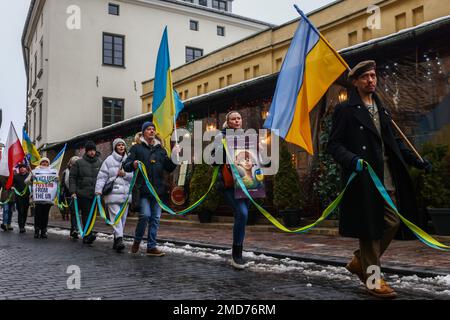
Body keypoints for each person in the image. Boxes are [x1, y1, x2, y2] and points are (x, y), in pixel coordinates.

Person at [327, 60, 432, 299]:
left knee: (392, 222)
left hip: (386, 176)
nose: (371, 80)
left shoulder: (381, 108)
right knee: (370, 231)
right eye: (365, 77)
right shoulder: (346, 109)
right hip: (363, 178)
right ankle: (373, 280)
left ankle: (359, 261)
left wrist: (417, 161)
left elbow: (393, 143)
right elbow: (333, 144)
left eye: (373, 76)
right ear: (355, 82)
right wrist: (352, 159)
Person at [212, 111, 269, 270]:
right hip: (228, 184)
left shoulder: (248, 137)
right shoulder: (220, 137)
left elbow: (257, 160)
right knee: (242, 213)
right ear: (227, 122)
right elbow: (213, 160)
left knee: (241, 216)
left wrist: (260, 150)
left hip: (246, 183)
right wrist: (224, 147)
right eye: (233, 119)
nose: (237, 121)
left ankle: (237, 252)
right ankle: (237, 254)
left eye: (239, 118)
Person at [123, 122, 179, 256]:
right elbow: (126, 165)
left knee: (155, 218)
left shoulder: (161, 149)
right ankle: (137, 241)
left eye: (153, 129)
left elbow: (169, 167)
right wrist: (133, 164)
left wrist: (175, 156)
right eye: (148, 129)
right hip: (142, 190)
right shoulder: (136, 148)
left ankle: (151, 246)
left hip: (158, 191)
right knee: (145, 216)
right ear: (143, 133)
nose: (151, 131)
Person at [95, 138, 133, 252]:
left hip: (126, 195)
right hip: (112, 194)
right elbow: (102, 177)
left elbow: (133, 176)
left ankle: (117, 241)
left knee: (122, 219)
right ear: (115, 147)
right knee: (116, 217)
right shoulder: (109, 160)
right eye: (119, 145)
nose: (121, 147)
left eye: (123, 145)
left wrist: (124, 174)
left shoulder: (129, 160)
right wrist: (98, 190)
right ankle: (120, 239)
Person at [69, 141, 102, 245]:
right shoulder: (79, 163)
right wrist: (73, 191)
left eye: (93, 150)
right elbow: (72, 177)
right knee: (86, 214)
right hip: (83, 193)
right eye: (90, 150)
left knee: (92, 215)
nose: (92, 152)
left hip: (95, 194)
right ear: (86, 151)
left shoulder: (100, 163)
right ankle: (87, 235)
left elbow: (103, 177)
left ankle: (88, 232)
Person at [25, 157, 58, 239]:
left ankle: (43, 231)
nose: (44, 164)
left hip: (48, 198)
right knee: (38, 215)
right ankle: (37, 230)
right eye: (43, 162)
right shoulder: (34, 172)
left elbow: (56, 184)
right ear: (40, 163)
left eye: (46, 162)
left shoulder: (53, 172)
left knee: (45, 215)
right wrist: (31, 179)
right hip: (38, 198)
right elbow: (26, 182)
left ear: (48, 163)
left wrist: (57, 179)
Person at [61, 156, 80, 239]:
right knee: (73, 212)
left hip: (81, 194)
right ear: (70, 163)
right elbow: (62, 184)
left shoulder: (81, 171)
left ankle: (75, 229)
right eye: (73, 163)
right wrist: (62, 193)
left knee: (79, 213)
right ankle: (74, 229)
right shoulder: (66, 172)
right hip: (70, 195)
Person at [13, 164, 31, 233]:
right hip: (18, 197)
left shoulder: (29, 176)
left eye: (23, 167)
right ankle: (21, 227)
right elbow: (11, 184)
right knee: (20, 211)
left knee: (25, 211)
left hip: (27, 196)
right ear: (19, 169)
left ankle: (23, 224)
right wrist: (12, 187)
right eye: (21, 168)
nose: (22, 169)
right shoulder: (16, 176)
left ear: (26, 168)